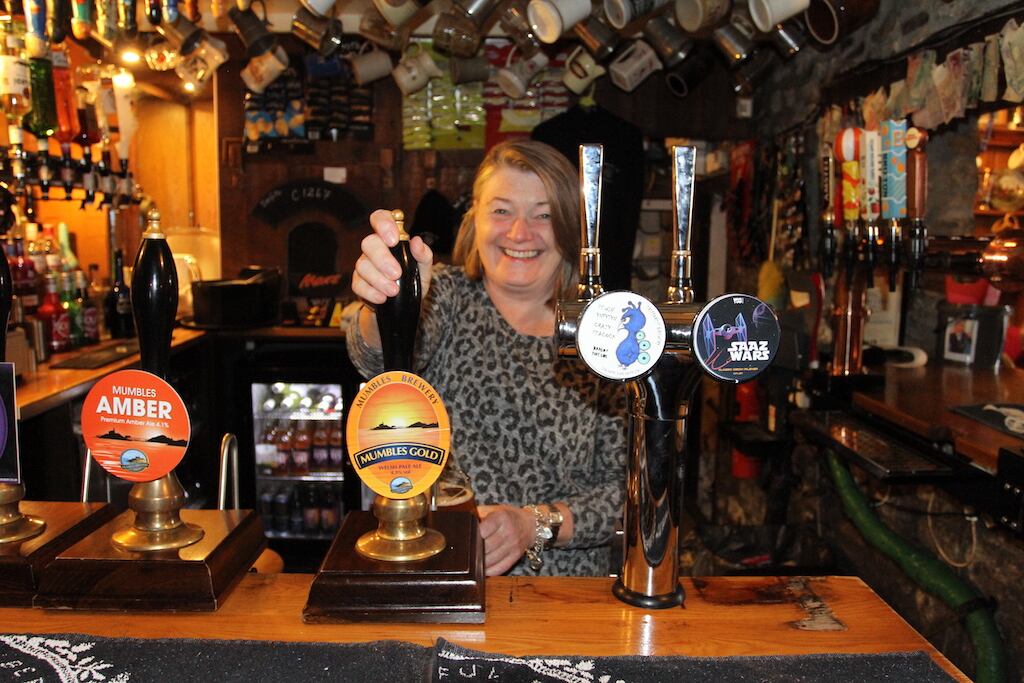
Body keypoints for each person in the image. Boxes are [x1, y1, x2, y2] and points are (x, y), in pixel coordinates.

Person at [347, 139, 627, 577]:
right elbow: (374, 355)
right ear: (474, 219)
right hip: (443, 574)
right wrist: (388, 300)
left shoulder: (605, 330)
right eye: (501, 211)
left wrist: (534, 524)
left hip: (568, 598)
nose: (520, 233)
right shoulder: (444, 296)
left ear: (572, 227)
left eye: (544, 214)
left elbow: (629, 491)